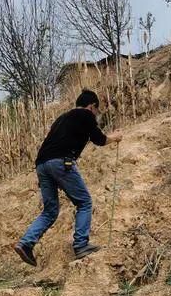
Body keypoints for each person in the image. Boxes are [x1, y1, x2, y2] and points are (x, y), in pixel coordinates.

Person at [14, 90, 122, 267]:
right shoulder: (85, 114)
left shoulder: (62, 118)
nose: (95, 114)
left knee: (50, 211)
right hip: (61, 162)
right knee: (84, 202)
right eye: (96, 110)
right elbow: (99, 139)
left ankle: (26, 243)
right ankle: (81, 245)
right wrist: (115, 138)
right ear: (92, 106)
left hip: (42, 165)